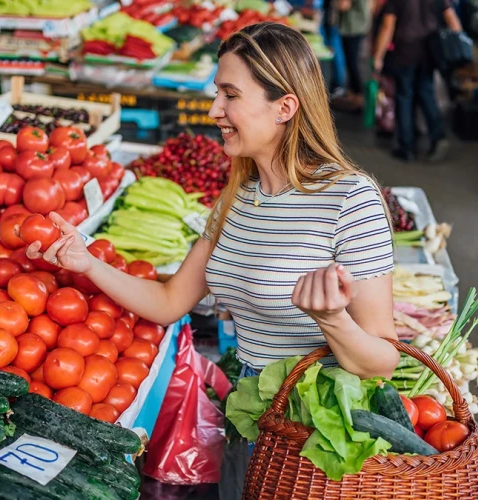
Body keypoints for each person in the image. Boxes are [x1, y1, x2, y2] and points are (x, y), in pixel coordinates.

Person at [26, 23, 399, 383]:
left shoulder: (350, 198)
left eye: (230, 95)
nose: (213, 110)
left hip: (319, 429)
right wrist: (88, 263)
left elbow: (383, 362)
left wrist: (332, 318)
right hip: (259, 412)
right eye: (217, 93)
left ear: (284, 108)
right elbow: (170, 300)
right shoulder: (238, 197)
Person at [373, 0, 462, 162]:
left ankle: (407, 147)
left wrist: (378, 56)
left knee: (404, 97)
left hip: (404, 53)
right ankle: (438, 136)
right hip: (429, 53)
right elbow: (451, 17)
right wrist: (458, 46)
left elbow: (387, 26)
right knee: (427, 94)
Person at [336, 0, 373, 111]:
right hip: (361, 24)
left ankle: (357, 96)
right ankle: (354, 95)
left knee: (352, 63)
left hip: (352, 26)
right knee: (354, 61)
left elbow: (343, 5)